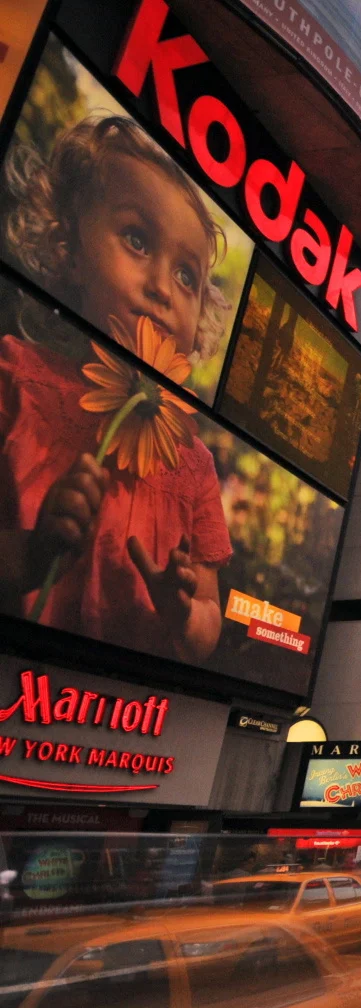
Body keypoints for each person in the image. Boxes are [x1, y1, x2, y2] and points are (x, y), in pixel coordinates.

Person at [0, 114, 235, 658]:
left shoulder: (192, 465)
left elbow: (208, 619)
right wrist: (32, 555)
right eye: (136, 239)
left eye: (186, 276)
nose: (161, 288)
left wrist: (184, 612)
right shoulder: (16, 381)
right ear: (69, 247)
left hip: (132, 716)